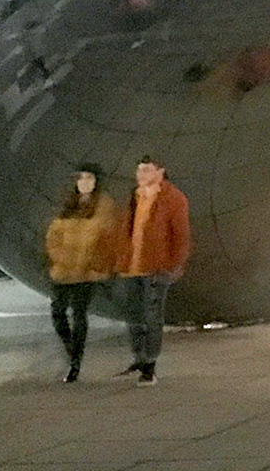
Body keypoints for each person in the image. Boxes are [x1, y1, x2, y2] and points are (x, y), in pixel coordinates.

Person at [116, 155, 191, 383]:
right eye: (139, 170)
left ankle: (150, 365)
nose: (141, 175)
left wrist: (172, 265)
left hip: (156, 269)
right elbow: (126, 230)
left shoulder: (173, 198)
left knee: (152, 317)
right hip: (132, 267)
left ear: (160, 172)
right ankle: (139, 358)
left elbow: (181, 235)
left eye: (147, 170)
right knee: (133, 316)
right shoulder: (135, 197)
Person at [44, 163, 120, 382]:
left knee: (79, 314)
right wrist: (60, 258)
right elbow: (53, 236)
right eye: (81, 178)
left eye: (89, 178)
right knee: (58, 313)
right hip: (64, 270)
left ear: (96, 182)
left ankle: (76, 362)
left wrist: (96, 261)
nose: (85, 182)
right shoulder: (68, 205)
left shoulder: (104, 206)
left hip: (87, 271)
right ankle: (71, 349)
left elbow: (107, 238)